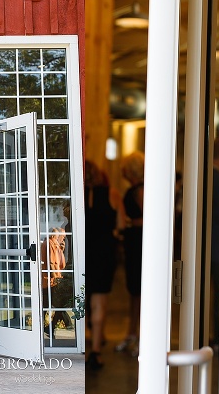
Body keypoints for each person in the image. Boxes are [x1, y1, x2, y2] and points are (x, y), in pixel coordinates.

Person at [84, 159, 120, 371]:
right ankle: (96, 351)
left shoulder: (76, 196)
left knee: (82, 298)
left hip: (84, 252)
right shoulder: (112, 194)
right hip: (105, 253)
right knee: (99, 303)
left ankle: (79, 345)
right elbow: (121, 224)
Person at [115, 151, 144, 357]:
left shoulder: (140, 190)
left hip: (140, 241)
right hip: (134, 241)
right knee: (134, 291)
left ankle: (140, 337)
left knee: (140, 291)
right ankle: (131, 334)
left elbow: (150, 217)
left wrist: (132, 223)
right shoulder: (134, 189)